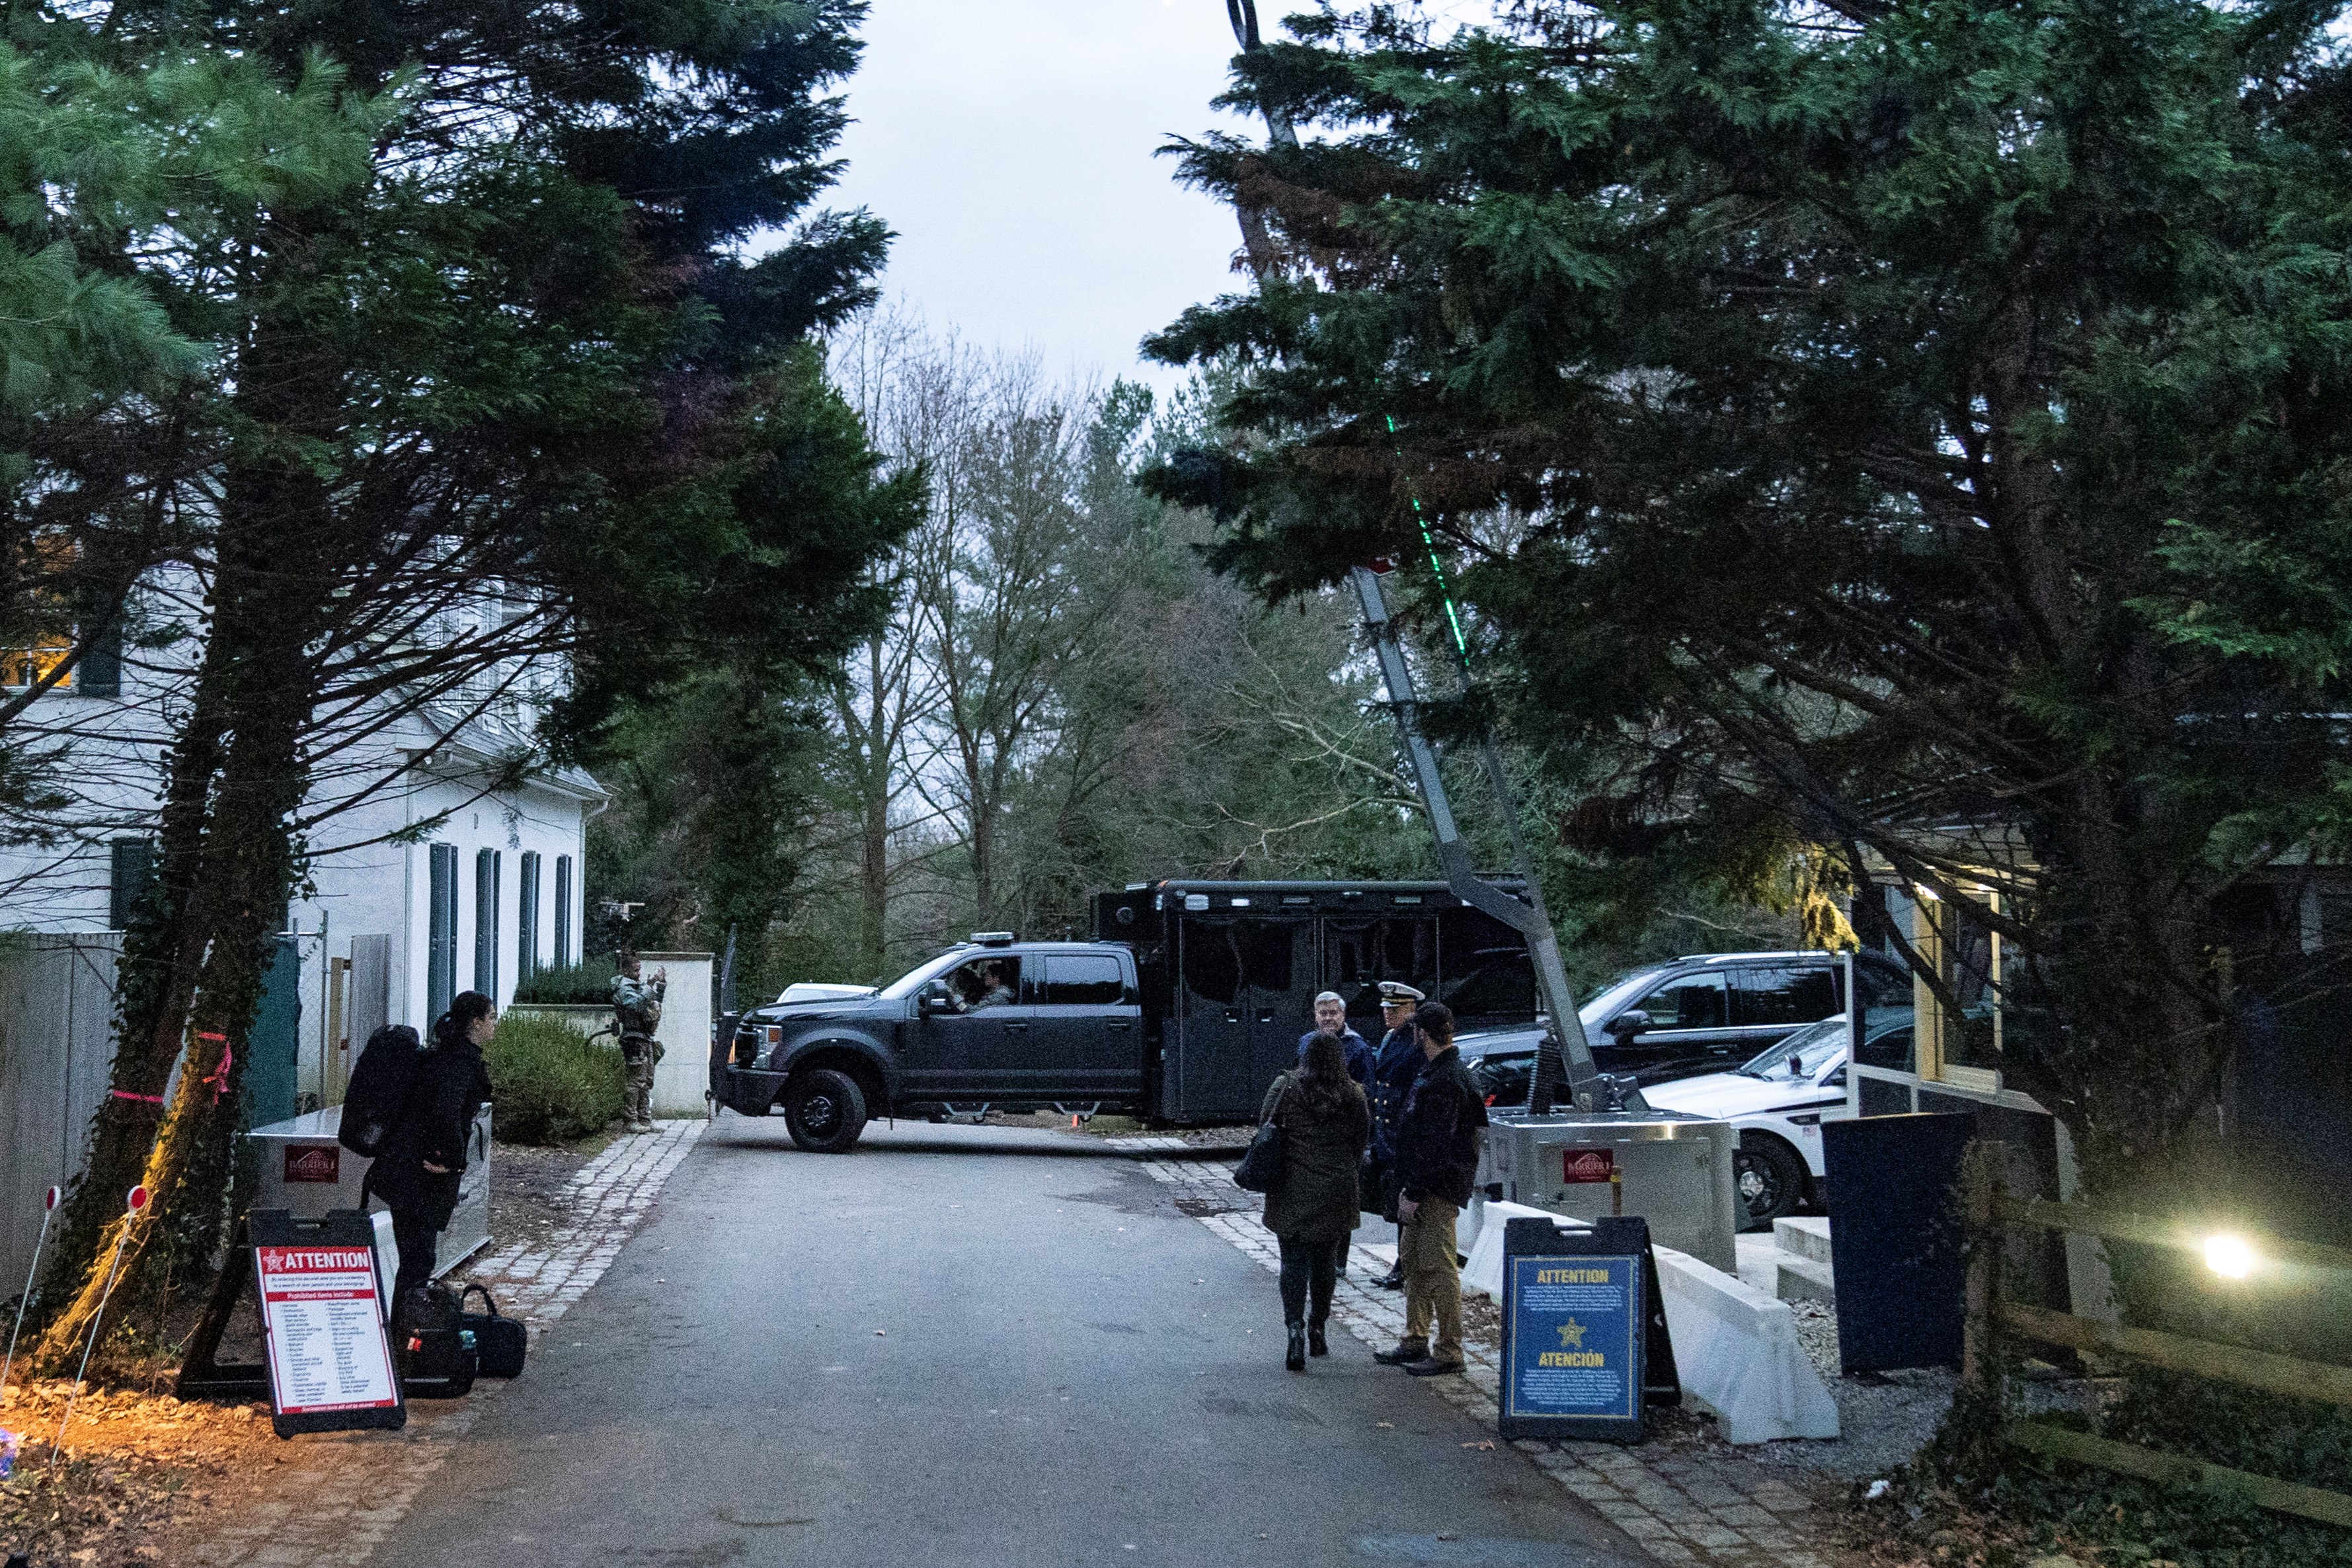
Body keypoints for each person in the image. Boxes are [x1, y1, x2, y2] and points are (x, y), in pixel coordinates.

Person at [1374, 1001, 1487, 1378]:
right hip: (1430, 1185)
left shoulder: (1445, 1079)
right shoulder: (1443, 1072)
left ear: (1423, 1033)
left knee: (1439, 1267)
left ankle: (1450, 1349)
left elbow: (1436, 1145)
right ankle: (1415, 1338)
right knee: (1413, 1261)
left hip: (1436, 1188)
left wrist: (1415, 1192)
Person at [369, 990, 496, 1319]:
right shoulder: (458, 1062)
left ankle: (406, 1329)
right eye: (492, 1018)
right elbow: (445, 1113)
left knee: (417, 1256)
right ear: (476, 1023)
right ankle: (405, 1334)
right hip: (417, 1172)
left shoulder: (447, 1055)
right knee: (418, 1258)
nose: (495, 1025)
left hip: (406, 1165)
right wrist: (452, 1162)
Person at [1257, 1029, 1370, 1372]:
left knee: (1292, 1262)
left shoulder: (1286, 1087)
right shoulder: (1353, 1094)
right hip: (1336, 1188)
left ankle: (1295, 1331)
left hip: (1292, 1185)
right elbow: (1361, 1138)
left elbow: (1265, 1124)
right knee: (1325, 1263)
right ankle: (1318, 1325)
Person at [1364, 981, 1426, 1290]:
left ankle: (1405, 1265)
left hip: (1402, 1130)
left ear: (1411, 1010)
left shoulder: (1415, 1041)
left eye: (1395, 1008)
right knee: (1392, 1199)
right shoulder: (1390, 1038)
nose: (1388, 1013)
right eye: (1386, 1008)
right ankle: (1403, 1262)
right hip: (1386, 1132)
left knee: (1405, 1203)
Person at [612, 949, 666, 1133]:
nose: (639, 973)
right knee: (635, 1081)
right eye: (635, 970)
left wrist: (659, 984)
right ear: (626, 971)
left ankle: (645, 1119)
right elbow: (636, 1004)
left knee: (647, 1081)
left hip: (644, 1038)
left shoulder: (636, 986)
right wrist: (649, 988)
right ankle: (630, 1121)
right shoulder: (624, 989)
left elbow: (653, 1004)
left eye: (639, 970)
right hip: (633, 1038)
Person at [1295, 991, 1372, 1084]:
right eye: (1323, 1013)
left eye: (1333, 1013)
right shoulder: (1306, 1042)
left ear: (1343, 1015)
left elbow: (1367, 1088)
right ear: (1316, 1016)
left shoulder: (1359, 1048)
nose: (1328, 1018)